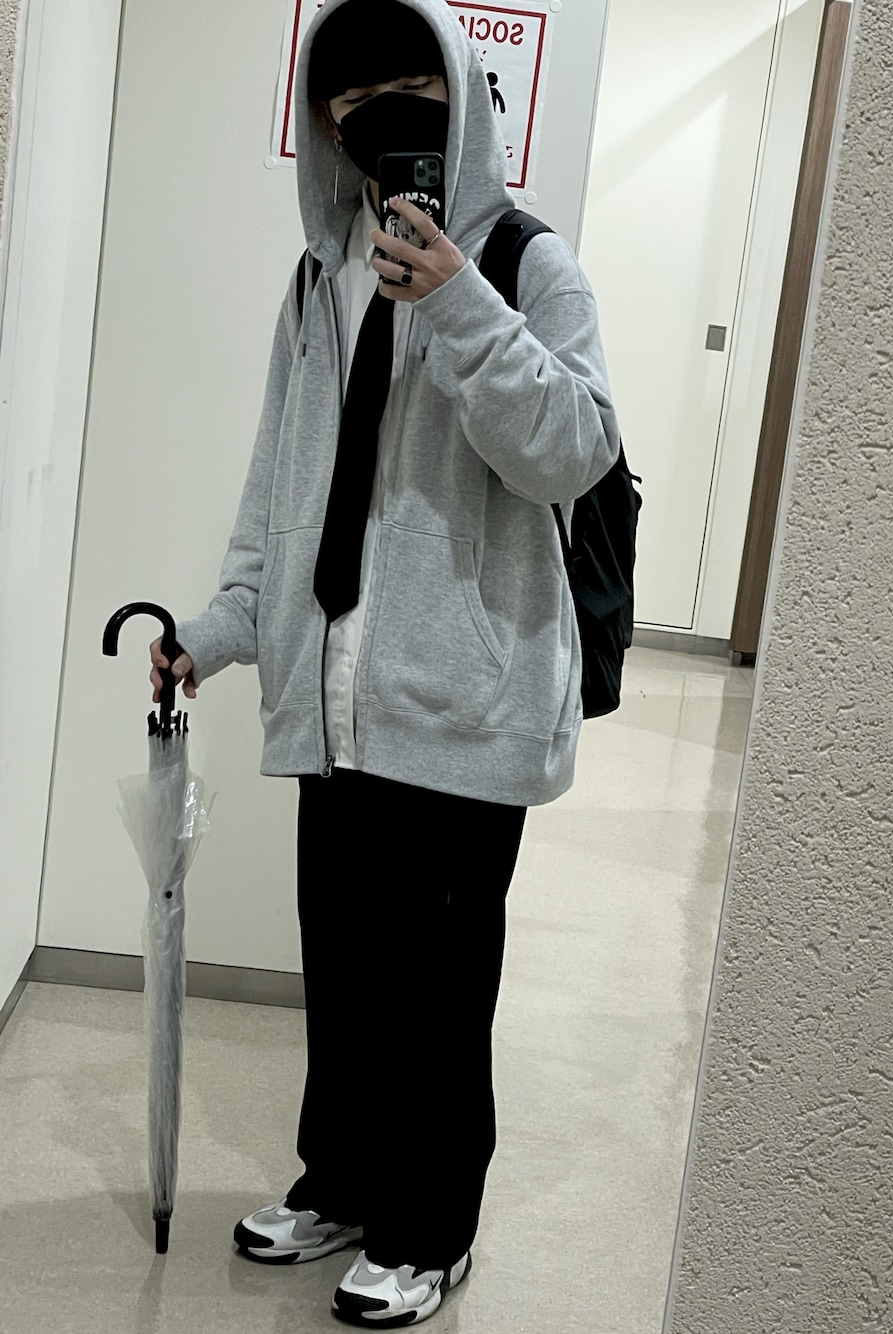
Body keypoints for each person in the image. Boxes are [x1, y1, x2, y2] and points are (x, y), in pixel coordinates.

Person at [149, 0, 618, 1325]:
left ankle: (431, 1227)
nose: (385, 119)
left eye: (416, 87)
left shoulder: (528, 264)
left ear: (464, 98)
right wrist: (216, 634)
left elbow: (573, 451)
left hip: (466, 708)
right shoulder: (318, 278)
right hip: (335, 704)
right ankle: (346, 1182)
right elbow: (278, 495)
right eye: (355, 103)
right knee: (348, 978)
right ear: (326, 126)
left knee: (437, 1000)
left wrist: (460, 302)